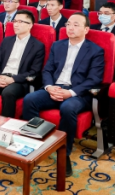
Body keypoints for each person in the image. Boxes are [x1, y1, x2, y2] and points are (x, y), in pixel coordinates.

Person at [22, 13, 105, 177]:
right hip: (55, 87)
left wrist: (71, 92)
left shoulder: (96, 51)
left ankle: (64, 152)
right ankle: (36, 142)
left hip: (78, 93)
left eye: (76, 25)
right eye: (68, 24)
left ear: (86, 29)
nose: (70, 28)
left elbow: (94, 79)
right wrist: (49, 87)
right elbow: (47, 70)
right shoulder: (57, 46)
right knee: (29, 100)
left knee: (68, 108)